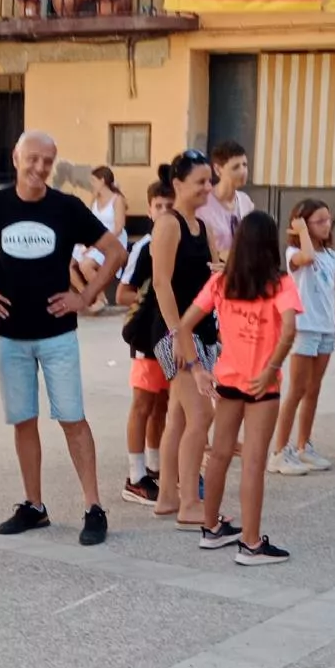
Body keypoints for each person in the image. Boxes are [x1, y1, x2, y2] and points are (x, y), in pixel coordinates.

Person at [0, 130, 123, 546]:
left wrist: (85, 295)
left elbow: (115, 251)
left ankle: (93, 508)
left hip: (57, 334)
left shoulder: (66, 207)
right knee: (23, 420)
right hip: (9, 336)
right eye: (34, 158)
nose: (40, 167)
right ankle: (34, 505)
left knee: (72, 418)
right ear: (16, 157)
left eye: (48, 160)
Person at [181, 212, 299, 565]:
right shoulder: (281, 285)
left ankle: (211, 527)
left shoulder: (221, 284)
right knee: (252, 462)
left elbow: (184, 325)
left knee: (218, 454)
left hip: (228, 378)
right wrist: (272, 367)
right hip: (262, 384)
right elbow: (290, 330)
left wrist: (197, 369)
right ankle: (250, 543)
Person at [135, 151, 221, 528]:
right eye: (201, 181)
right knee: (201, 413)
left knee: (179, 416)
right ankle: (189, 502)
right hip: (175, 331)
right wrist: (178, 336)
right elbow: (160, 283)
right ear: (178, 183)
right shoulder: (168, 224)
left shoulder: (204, 227)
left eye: (210, 181)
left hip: (201, 329)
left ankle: (168, 496)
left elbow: (213, 279)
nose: (207, 188)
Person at [271, 198, 335, 475]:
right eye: (319, 221)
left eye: (328, 220)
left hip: (325, 327)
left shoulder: (331, 256)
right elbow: (307, 257)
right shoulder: (294, 253)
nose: (326, 225)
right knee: (297, 389)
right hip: (305, 327)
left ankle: (304, 444)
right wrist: (301, 230)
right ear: (302, 224)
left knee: (314, 388)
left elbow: (331, 292)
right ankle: (280, 450)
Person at [118, 175, 175, 503]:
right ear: (150, 210)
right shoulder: (145, 247)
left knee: (163, 402)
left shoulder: (179, 241)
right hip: (146, 335)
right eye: (159, 206)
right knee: (142, 402)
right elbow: (123, 292)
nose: (165, 210)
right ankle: (135, 475)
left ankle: (154, 464)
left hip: (172, 334)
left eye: (171, 205)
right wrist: (152, 297)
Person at [70, 165, 129, 305]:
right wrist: (83, 241)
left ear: (102, 181)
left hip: (113, 238)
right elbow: (89, 223)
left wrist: (95, 246)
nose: (92, 184)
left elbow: (119, 227)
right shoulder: (94, 199)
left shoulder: (117, 199)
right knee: (68, 262)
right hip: (96, 237)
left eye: (93, 180)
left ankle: (101, 298)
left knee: (86, 265)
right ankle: (85, 296)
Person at [197, 140, 257, 261]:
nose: (243, 172)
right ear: (218, 170)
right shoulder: (203, 204)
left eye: (245, 165)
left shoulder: (245, 201)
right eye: (236, 167)